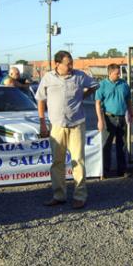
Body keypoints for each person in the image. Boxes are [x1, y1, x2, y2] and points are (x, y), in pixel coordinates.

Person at [35, 50, 98, 209]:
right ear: (57, 64)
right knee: (57, 162)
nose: (71, 66)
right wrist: (42, 122)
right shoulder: (48, 78)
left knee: (78, 160)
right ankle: (59, 195)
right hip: (57, 126)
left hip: (77, 124)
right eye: (68, 63)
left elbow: (94, 85)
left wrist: (82, 96)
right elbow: (41, 100)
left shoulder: (79, 76)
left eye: (71, 63)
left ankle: (80, 196)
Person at [95, 63, 133, 178]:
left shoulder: (124, 85)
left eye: (119, 73)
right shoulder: (102, 85)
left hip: (122, 118)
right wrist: (100, 120)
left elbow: (128, 100)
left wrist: (131, 112)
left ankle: (122, 170)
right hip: (108, 118)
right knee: (106, 145)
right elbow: (97, 103)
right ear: (110, 73)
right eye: (117, 73)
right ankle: (105, 171)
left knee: (121, 145)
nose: (119, 75)